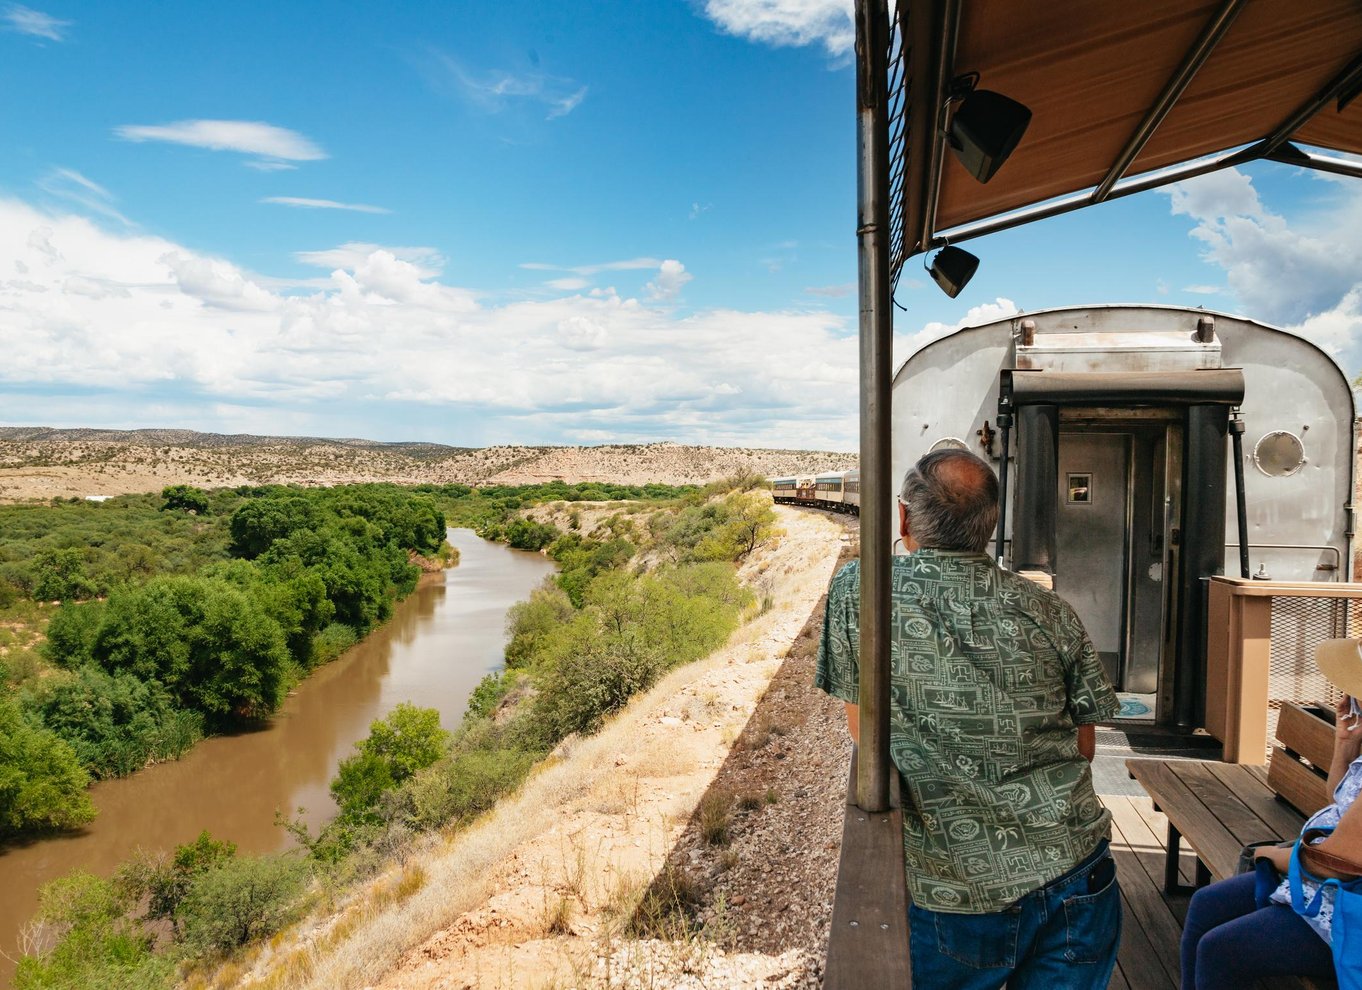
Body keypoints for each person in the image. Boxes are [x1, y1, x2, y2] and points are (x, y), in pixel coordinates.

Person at [816, 448, 1121, 990]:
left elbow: (863, 729)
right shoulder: (1050, 610)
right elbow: (1085, 743)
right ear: (991, 523)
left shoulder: (860, 589)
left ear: (905, 519)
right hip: (1076, 870)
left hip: (951, 887)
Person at [1180, 641, 1362, 990]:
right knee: (1206, 904)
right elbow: (1340, 799)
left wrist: (1271, 856)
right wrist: (1346, 745)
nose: (1349, 695)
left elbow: (1335, 863)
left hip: (1343, 908)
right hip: (1324, 888)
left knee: (1220, 950)